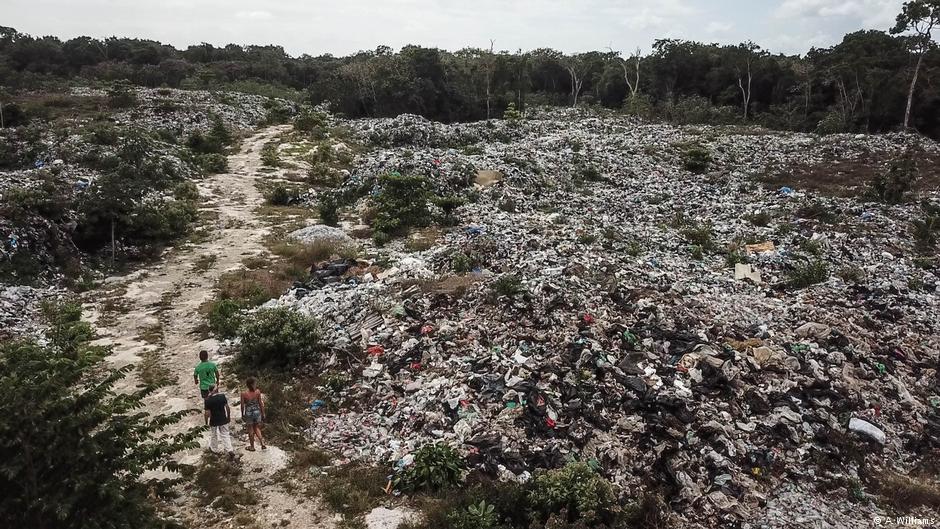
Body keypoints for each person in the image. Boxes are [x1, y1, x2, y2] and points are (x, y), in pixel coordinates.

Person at [203, 385, 235, 460]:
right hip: (223, 418)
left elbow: (207, 413)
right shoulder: (222, 396)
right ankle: (230, 450)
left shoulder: (207, 400)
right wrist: (228, 416)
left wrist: (206, 422)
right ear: (217, 390)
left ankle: (214, 449)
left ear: (209, 391)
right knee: (225, 434)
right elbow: (227, 407)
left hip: (213, 420)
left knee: (214, 435)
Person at [239, 377, 267, 451]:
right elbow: (261, 403)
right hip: (257, 412)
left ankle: (252, 447)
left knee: (250, 429)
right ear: (252, 384)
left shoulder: (243, 394)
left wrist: (242, 414)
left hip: (249, 413)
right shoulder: (257, 392)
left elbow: (242, 405)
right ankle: (262, 443)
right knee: (257, 428)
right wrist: (263, 413)